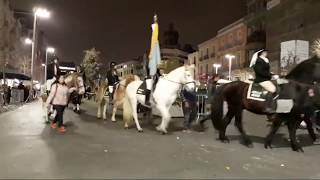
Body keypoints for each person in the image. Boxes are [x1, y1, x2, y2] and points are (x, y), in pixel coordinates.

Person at [145, 14, 162, 106]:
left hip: (154, 74)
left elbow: (155, 35)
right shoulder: (149, 60)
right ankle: (147, 99)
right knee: (149, 84)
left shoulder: (154, 50)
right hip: (149, 76)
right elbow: (148, 69)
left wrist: (160, 74)